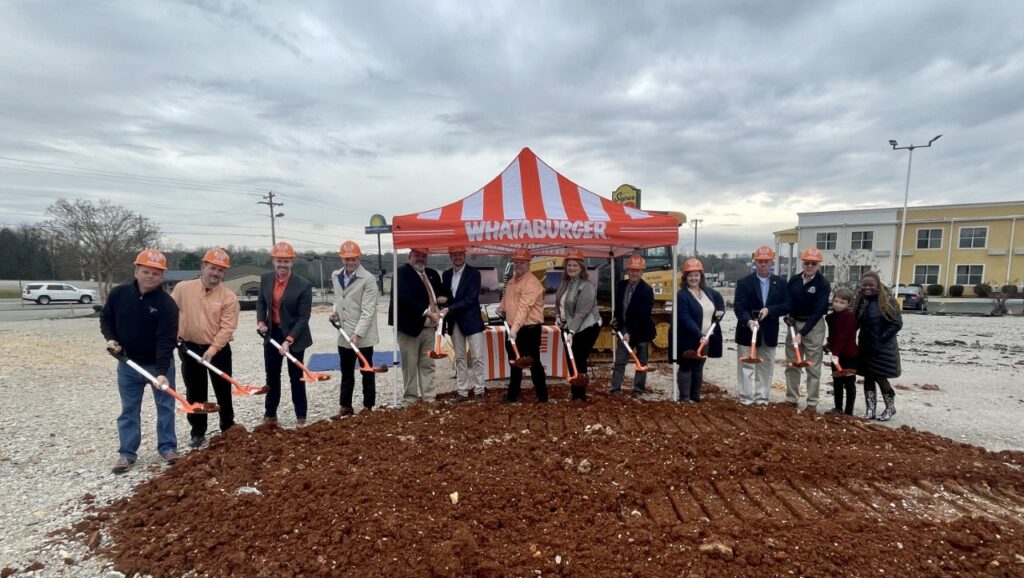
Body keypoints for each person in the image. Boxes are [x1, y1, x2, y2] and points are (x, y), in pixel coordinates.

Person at [100, 249, 180, 474]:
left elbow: (167, 340)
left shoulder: (167, 305)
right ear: (136, 271)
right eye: (146, 271)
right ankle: (127, 454)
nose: (150, 277)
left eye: (156, 274)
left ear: (162, 277)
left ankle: (168, 447)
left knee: (165, 407)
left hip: (157, 365)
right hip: (127, 364)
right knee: (129, 409)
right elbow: (106, 318)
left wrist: (163, 371)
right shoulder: (119, 295)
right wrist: (111, 339)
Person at [171, 247, 239, 448]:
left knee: (223, 390)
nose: (216, 273)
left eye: (220, 270)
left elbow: (227, 327)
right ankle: (198, 431)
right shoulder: (183, 289)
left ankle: (227, 427)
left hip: (218, 351)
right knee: (195, 391)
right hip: (190, 348)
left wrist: (212, 350)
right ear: (203, 267)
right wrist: (176, 338)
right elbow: (170, 313)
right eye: (212, 268)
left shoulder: (228, 297)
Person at [257, 241, 313, 426]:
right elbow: (261, 303)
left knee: (296, 377)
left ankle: (301, 416)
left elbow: (303, 317)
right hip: (273, 334)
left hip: (295, 337)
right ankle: (270, 414)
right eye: (279, 261)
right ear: (274, 261)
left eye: (286, 262)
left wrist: (289, 340)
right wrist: (261, 322)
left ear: (292, 262)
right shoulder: (266, 279)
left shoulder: (303, 285)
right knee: (272, 376)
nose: (282, 265)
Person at [733, 245, 792, 405]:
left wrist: (770, 310)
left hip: (769, 331)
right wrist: (748, 321)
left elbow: (787, 305)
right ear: (755, 262)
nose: (763, 264)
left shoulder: (780, 283)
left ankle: (762, 398)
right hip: (747, 331)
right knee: (746, 366)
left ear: (771, 262)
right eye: (760, 261)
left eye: (766, 261)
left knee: (765, 366)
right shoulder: (744, 283)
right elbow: (739, 307)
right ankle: (745, 398)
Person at [329, 241, 379, 417]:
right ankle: (346, 406)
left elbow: (368, 310)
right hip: (344, 335)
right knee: (346, 372)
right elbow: (339, 299)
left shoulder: (368, 279)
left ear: (359, 258)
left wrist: (357, 334)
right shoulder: (336, 276)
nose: (350, 262)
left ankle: (368, 406)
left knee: (367, 371)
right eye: (346, 259)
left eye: (353, 259)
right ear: (342, 258)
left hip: (362, 336)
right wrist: (335, 313)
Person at [389, 248, 444, 405]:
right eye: (417, 256)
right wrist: (427, 312)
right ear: (409, 257)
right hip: (409, 328)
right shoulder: (401, 273)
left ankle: (429, 397)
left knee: (428, 363)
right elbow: (404, 297)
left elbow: (438, 294)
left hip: (429, 328)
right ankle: (410, 398)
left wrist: (441, 301)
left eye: (423, 256)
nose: (420, 259)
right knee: (410, 364)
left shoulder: (432, 274)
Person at [496, 246, 548, 403]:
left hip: (529, 330)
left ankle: (542, 397)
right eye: (516, 262)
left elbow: (524, 308)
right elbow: (509, 296)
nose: (518, 265)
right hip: (514, 327)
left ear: (529, 263)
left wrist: (514, 329)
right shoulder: (514, 279)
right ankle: (512, 394)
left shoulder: (532, 283)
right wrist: (502, 306)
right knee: (514, 362)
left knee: (534, 363)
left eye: (522, 262)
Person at [783, 247, 831, 411]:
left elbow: (819, 311)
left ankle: (812, 403)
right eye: (807, 263)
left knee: (812, 366)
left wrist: (803, 333)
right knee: (792, 364)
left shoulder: (823, 284)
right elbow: (788, 300)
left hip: (814, 325)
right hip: (794, 323)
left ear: (818, 265)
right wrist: (788, 315)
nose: (809, 266)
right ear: (802, 263)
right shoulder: (794, 280)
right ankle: (791, 398)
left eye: (813, 263)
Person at [854, 271, 902, 421]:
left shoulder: (887, 300)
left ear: (878, 285)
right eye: (864, 285)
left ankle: (890, 407)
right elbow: (855, 322)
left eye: (871, 285)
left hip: (883, 347)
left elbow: (896, 323)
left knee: (881, 378)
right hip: (865, 346)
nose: (867, 287)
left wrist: (881, 339)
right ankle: (870, 409)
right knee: (868, 378)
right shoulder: (861, 301)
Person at [675, 258, 725, 403]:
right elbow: (685, 318)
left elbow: (719, 302)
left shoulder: (708, 292)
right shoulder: (682, 295)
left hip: (706, 337)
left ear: (701, 276)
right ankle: (684, 398)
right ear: (685, 277)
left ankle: (695, 397)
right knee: (686, 367)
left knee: (698, 367)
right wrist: (699, 335)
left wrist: (720, 313)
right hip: (689, 338)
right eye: (690, 275)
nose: (693, 278)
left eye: (696, 275)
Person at [440, 246, 487, 402]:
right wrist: (441, 301)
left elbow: (471, 298)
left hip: (472, 320)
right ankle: (463, 391)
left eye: (460, 254)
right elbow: (446, 296)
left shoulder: (474, 274)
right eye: (454, 255)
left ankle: (480, 390)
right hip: (455, 322)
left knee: (477, 357)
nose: (457, 257)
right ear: (450, 257)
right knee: (459, 358)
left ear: (464, 255)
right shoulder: (446, 275)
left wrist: (449, 308)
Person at [554, 248, 600, 401]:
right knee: (570, 358)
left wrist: (572, 332)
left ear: (581, 268)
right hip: (568, 326)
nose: (571, 268)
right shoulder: (564, 283)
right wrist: (557, 317)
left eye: (575, 265)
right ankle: (575, 392)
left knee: (579, 358)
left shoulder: (586, 286)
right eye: (569, 265)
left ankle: (580, 396)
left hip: (586, 327)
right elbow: (558, 302)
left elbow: (581, 313)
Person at [610, 255, 655, 396]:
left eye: (637, 270)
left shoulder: (647, 290)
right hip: (624, 327)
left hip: (641, 330)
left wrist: (630, 332)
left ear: (642, 272)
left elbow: (643, 315)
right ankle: (615, 389)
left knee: (641, 362)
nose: (634, 273)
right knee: (620, 360)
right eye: (632, 270)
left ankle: (638, 390)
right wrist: (615, 318)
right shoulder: (621, 285)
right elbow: (619, 306)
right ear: (627, 271)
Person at [825, 287, 858, 415]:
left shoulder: (849, 318)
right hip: (836, 355)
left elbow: (843, 337)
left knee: (849, 384)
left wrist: (836, 353)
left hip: (849, 356)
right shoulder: (832, 317)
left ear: (848, 304)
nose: (838, 304)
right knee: (837, 382)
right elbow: (833, 335)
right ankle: (838, 407)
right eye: (836, 301)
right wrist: (829, 344)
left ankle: (849, 412)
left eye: (842, 302)